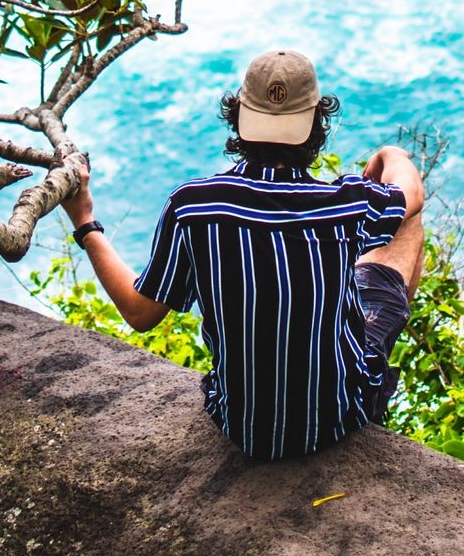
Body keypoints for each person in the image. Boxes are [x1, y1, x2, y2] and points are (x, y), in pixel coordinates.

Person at [61, 47, 425, 461]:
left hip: (240, 425)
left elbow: (140, 314)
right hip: (339, 417)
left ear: (238, 117)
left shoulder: (193, 206)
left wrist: (85, 222)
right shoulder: (342, 205)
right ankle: (361, 369)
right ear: (314, 126)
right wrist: (391, 155)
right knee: (406, 222)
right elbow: (411, 195)